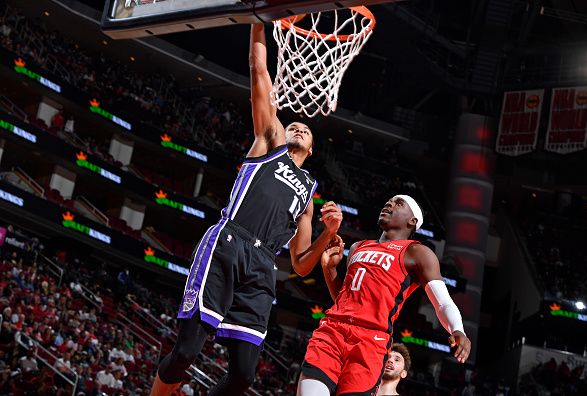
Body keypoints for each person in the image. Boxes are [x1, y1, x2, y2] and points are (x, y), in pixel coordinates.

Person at [150, 23, 343, 396]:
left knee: (243, 375)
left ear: (313, 150)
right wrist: (259, 20)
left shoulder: (309, 192)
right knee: (186, 352)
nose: (299, 128)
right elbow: (259, 71)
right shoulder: (268, 142)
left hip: (264, 265)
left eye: (307, 130)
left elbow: (302, 264)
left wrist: (328, 235)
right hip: (228, 242)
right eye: (295, 125)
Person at [298, 195, 471, 395]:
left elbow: (442, 302)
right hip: (333, 330)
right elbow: (345, 300)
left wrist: (457, 329)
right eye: (388, 201)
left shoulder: (417, 253)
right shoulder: (357, 247)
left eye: (398, 204)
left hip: (371, 341)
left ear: (412, 221)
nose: (389, 204)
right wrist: (330, 270)